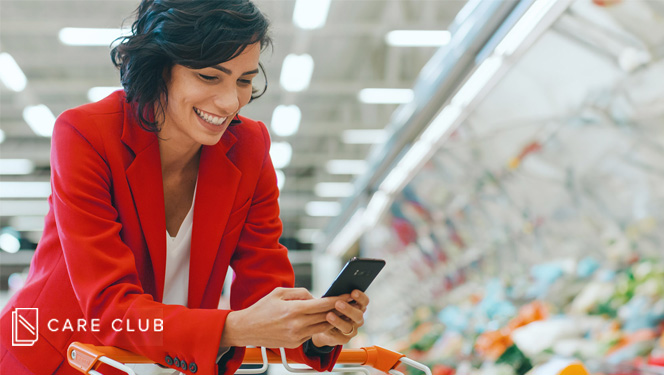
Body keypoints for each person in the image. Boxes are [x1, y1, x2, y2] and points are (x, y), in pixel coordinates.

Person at [0, 1, 370, 374]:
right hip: (58, 356)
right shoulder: (87, 135)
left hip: (162, 363)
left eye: (244, 80)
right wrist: (234, 327)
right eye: (209, 76)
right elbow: (109, 307)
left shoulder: (248, 148)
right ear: (159, 68)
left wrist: (315, 331)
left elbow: (265, 289)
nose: (229, 102)